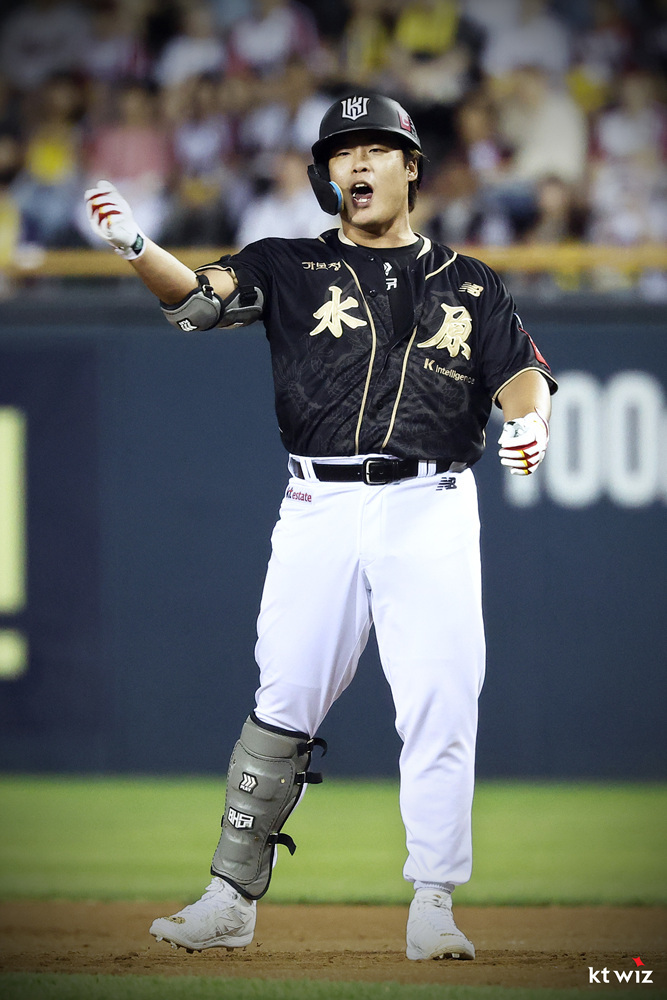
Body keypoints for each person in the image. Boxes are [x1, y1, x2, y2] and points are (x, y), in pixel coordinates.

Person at [84, 92, 557, 962]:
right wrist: (139, 249)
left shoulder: (469, 279)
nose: (360, 165)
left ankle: (433, 904)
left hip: (432, 502)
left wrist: (528, 422)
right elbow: (197, 303)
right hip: (319, 503)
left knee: (441, 704)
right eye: (343, 153)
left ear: (411, 166)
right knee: (282, 701)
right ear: (325, 175)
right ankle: (229, 899)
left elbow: (520, 375)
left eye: (377, 149)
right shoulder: (288, 262)